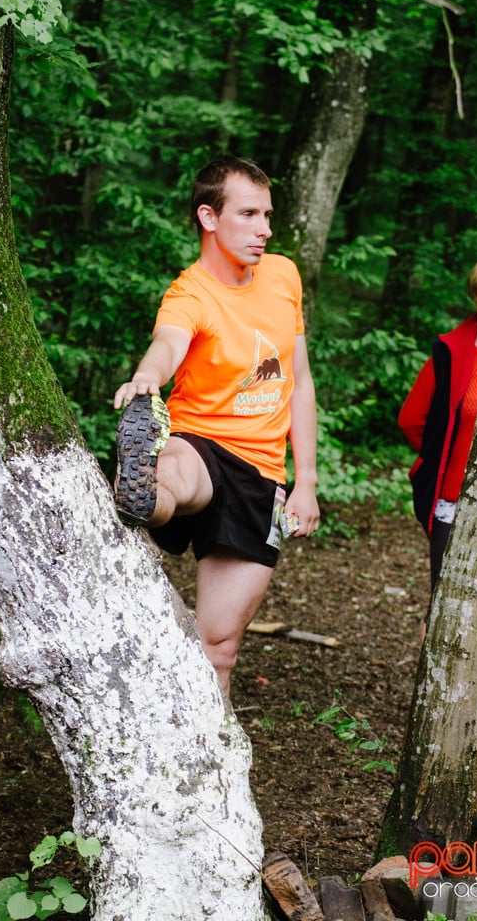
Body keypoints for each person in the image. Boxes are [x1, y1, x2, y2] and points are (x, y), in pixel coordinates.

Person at [113, 156, 320, 696]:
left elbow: (299, 379)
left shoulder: (283, 276)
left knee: (219, 648)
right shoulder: (191, 293)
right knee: (176, 476)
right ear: (209, 217)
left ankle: (212, 770)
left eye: (268, 214)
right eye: (249, 214)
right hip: (200, 442)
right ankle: (137, 492)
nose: (265, 229)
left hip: (263, 475)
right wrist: (146, 378)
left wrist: (308, 484)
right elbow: (167, 345)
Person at [398, 254, 477, 633]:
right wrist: (441, 453)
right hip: (452, 502)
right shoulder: (452, 351)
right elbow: (411, 419)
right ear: (476, 298)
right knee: (442, 606)